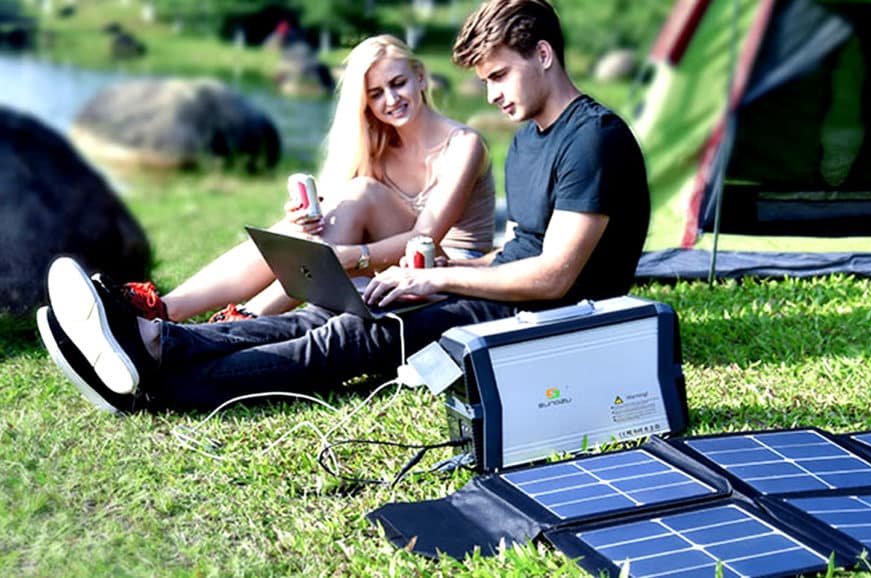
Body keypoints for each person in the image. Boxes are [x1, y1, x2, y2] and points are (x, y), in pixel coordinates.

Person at [37, 0, 651, 415]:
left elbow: (555, 277)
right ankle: (152, 335)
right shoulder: (530, 138)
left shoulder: (593, 138)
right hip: (497, 289)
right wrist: (429, 279)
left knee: (350, 339)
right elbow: (522, 249)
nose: (491, 93)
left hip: (549, 320)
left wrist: (430, 275)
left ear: (544, 55)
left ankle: (156, 381)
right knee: (328, 318)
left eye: (499, 76)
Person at [117, 34, 495, 323]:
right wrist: (306, 221)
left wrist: (351, 256)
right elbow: (342, 217)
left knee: (360, 193)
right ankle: (166, 308)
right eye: (375, 94)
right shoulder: (378, 145)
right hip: (389, 257)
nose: (390, 100)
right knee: (301, 229)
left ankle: (247, 318)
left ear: (421, 77)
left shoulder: (464, 144)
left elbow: (424, 239)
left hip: (447, 267)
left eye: (398, 84)